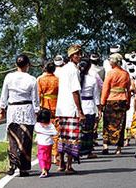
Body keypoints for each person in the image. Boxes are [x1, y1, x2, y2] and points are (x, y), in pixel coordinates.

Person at [0, 54, 40, 177]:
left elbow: (4, 95)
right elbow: (35, 99)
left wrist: (2, 108)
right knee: (26, 139)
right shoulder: (32, 79)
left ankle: (12, 164)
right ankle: (23, 169)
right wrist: (37, 111)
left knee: (13, 138)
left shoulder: (9, 77)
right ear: (28, 65)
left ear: (16, 64)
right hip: (27, 110)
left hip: (13, 110)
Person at [55, 44, 85, 174]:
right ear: (71, 56)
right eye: (75, 54)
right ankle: (68, 166)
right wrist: (80, 111)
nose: (78, 56)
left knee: (63, 137)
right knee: (72, 138)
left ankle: (61, 163)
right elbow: (75, 92)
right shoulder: (73, 70)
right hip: (71, 109)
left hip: (62, 108)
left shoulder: (63, 69)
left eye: (79, 54)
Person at [101, 53, 131, 155]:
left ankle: (105, 145)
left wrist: (102, 102)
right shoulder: (125, 74)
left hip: (111, 100)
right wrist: (128, 102)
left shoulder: (110, 73)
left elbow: (105, 88)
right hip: (122, 100)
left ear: (114, 62)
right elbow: (129, 90)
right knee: (120, 124)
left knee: (107, 123)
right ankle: (118, 148)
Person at [37, 61, 59, 165]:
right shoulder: (57, 79)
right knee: (55, 131)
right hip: (56, 105)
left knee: (44, 131)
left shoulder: (41, 79)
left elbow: (38, 94)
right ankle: (55, 155)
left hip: (45, 105)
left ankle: (46, 154)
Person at [79, 58, 101, 159]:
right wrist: (99, 109)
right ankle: (88, 151)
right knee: (89, 131)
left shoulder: (77, 78)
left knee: (79, 130)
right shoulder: (92, 79)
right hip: (89, 106)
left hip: (79, 106)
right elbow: (96, 97)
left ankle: (77, 150)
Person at [34, 109, 57, 178]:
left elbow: (36, 130)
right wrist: (48, 133)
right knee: (48, 156)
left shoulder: (37, 125)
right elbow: (55, 133)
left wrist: (42, 132)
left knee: (41, 157)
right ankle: (46, 168)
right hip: (49, 143)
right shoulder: (51, 125)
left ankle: (43, 169)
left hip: (41, 144)